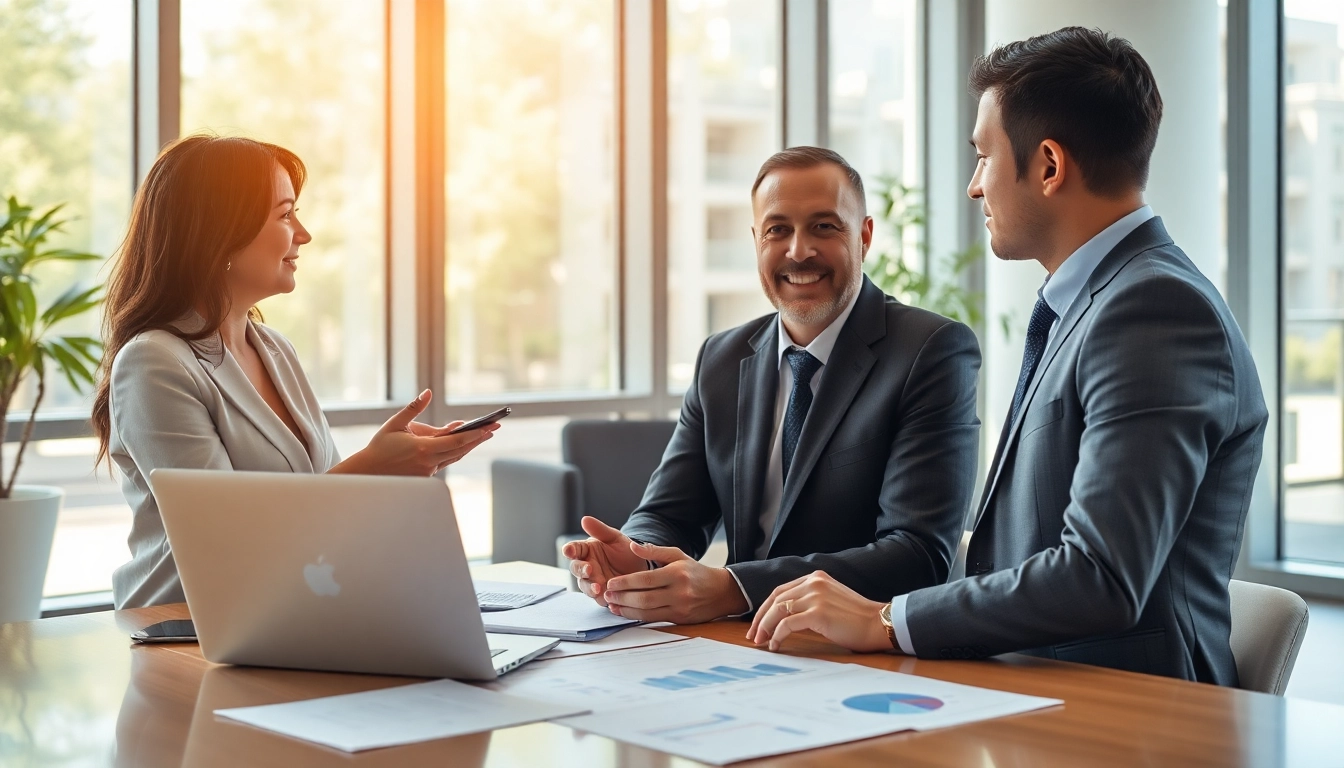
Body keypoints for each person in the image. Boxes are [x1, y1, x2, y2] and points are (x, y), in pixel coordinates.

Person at [747, 28, 1268, 686]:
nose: (974, 186)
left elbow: (1099, 576)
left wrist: (882, 620)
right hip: (1032, 692)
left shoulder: (1154, 311)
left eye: (984, 157)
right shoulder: (1095, 302)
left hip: (1130, 719)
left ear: (1048, 165)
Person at [564, 147, 982, 624]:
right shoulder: (720, 359)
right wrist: (635, 559)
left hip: (865, 652)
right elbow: (671, 514)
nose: (798, 250)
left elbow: (917, 554)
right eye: (777, 229)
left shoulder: (931, 350)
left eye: (824, 227)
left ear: (864, 236)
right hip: (744, 648)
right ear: (757, 241)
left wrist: (735, 588)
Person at [93, 135, 497, 609]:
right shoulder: (155, 361)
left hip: (290, 615)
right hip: (184, 632)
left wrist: (396, 468)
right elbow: (225, 537)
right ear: (221, 232)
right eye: (285, 215)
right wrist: (372, 467)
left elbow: (321, 512)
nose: (303, 234)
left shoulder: (274, 350)